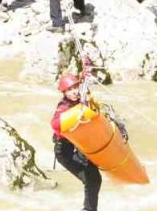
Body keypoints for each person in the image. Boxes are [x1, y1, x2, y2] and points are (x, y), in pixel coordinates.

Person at [51, 74, 102, 211]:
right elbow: (55, 124)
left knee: (95, 179)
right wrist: (74, 116)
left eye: (75, 87)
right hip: (65, 152)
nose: (74, 91)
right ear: (64, 93)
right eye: (70, 90)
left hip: (78, 147)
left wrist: (85, 74)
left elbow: (84, 83)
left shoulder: (80, 97)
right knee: (92, 180)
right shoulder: (63, 107)